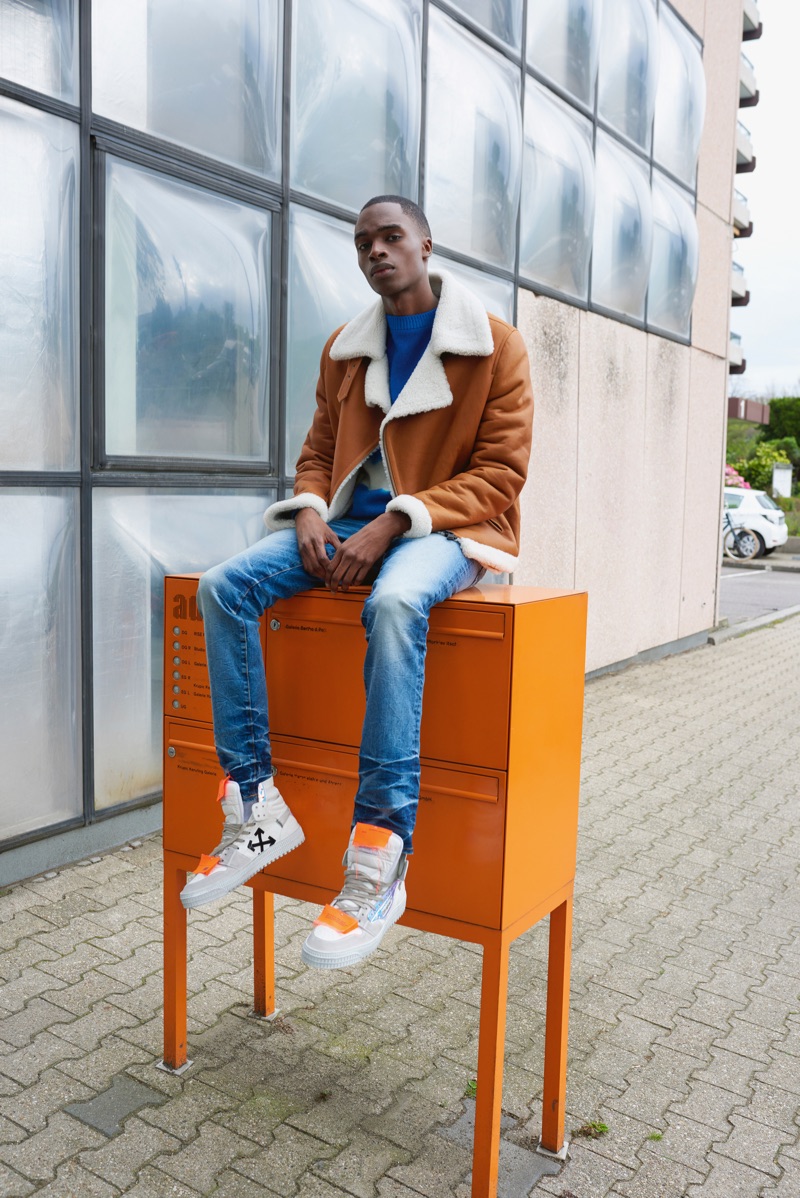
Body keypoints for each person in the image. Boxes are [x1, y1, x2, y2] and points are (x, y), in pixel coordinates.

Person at [180, 195, 533, 970]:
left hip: (450, 530)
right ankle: (255, 805)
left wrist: (396, 521)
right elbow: (316, 452)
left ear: (426, 244)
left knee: (398, 600)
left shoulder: (495, 346)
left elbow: (501, 475)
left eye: (391, 236)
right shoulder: (345, 346)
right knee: (221, 587)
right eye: (363, 241)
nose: (376, 250)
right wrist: (309, 510)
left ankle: (380, 857)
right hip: (342, 524)